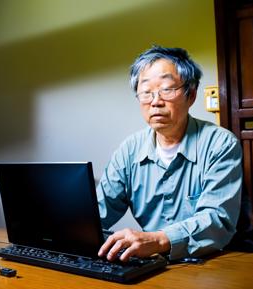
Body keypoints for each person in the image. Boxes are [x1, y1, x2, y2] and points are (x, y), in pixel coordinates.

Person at [97, 45, 243, 262]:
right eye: (146, 92)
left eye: (166, 89)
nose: (155, 101)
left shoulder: (220, 144)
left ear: (190, 95)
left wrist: (157, 240)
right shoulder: (129, 149)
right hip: (152, 265)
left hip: (211, 263)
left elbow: (216, 219)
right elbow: (100, 209)